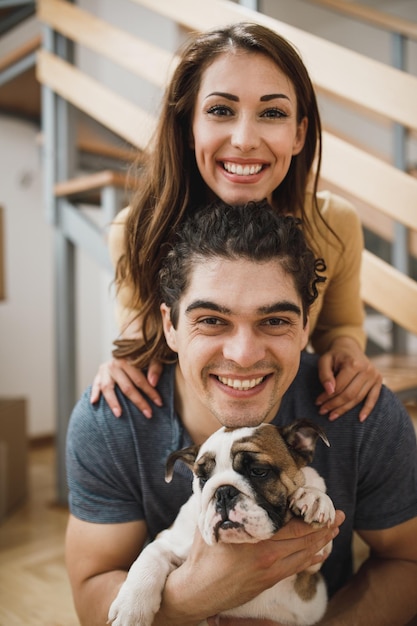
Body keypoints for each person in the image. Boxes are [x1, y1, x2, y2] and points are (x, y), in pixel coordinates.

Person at [66, 200, 417, 626]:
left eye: (274, 321)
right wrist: (194, 595)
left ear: (306, 326)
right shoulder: (112, 419)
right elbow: (91, 591)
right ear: (171, 325)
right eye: (212, 320)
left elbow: (408, 562)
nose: (244, 354)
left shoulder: (360, 410)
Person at [90, 22, 382, 423]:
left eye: (272, 113)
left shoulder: (334, 223)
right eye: (220, 110)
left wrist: (348, 349)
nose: (245, 138)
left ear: (299, 135)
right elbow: (137, 341)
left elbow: (340, 325)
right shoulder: (136, 231)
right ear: (188, 127)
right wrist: (121, 360)